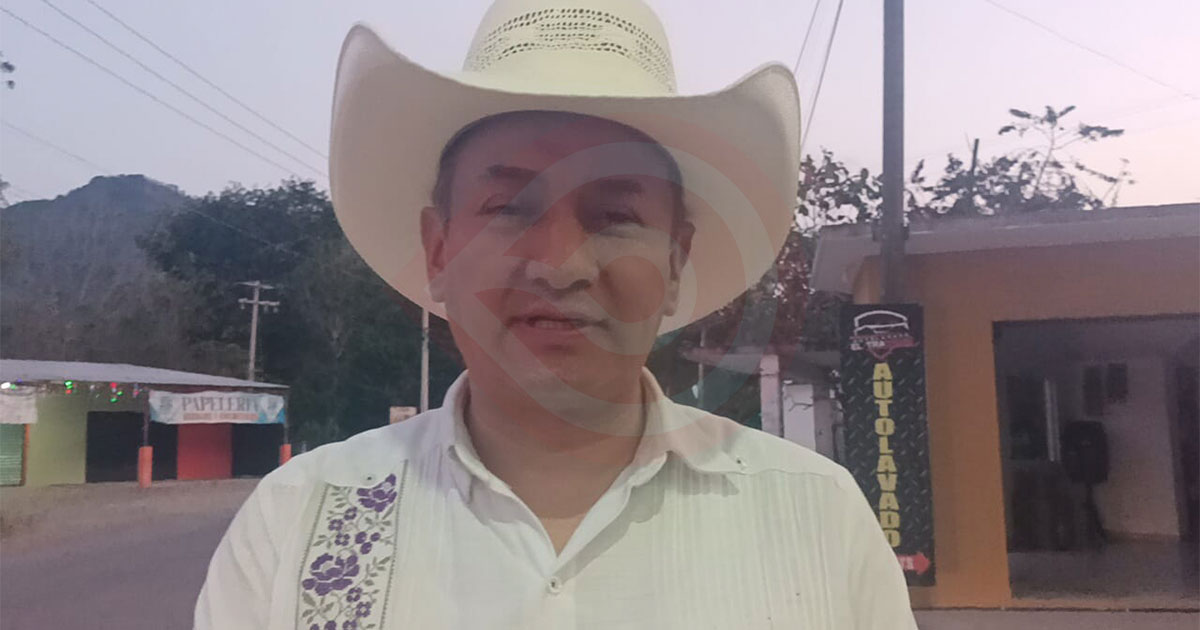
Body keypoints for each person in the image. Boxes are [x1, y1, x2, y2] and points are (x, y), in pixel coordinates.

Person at [195, 0, 918, 628]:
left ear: (675, 263)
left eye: (614, 215)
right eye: (509, 208)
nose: (561, 264)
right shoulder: (297, 522)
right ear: (439, 249)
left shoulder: (816, 518)